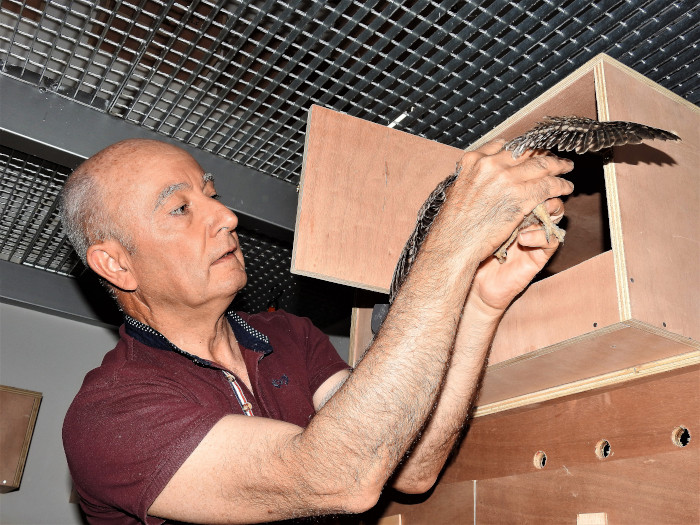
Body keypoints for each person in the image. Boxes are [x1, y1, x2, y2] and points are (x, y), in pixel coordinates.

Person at [61, 137, 573, 524]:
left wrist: (482, 303)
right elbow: (335, 477)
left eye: (212, 194)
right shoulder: (109, 415)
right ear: (116, 264)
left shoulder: (287, 333)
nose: (226, 216)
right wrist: (453, 242)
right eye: (180, 208)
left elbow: (409, 466)